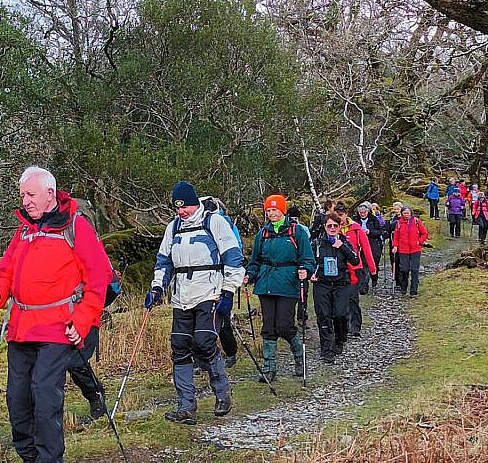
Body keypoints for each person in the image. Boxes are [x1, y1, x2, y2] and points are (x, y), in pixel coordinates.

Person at [0, 166, 112, 463]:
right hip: (21, 328)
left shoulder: (75, 227)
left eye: (30, 195)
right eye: (22, 195)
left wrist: (81, 321)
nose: (25, 201)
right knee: (17, 397)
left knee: (45, 396)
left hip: (59, 327)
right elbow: (6, 272)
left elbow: (99, 278)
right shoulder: (24, 230)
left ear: (50, 194)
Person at [146, 181, 244, 423]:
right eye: (177, 208)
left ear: (194, 203)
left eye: (185, 207)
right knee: (179, 347)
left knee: (203, 342)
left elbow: (233, 257)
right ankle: (186, 406)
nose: (181, 212)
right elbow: (163, 261)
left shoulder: (214, 222)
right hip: (181, 297)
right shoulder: (173, 228)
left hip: (210, 293)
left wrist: (229, 292)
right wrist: (157, 287)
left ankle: (222, 393)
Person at [245, 193, 314, 381]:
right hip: (265, 283)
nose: (271, 213)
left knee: (284, 325)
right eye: (268, 210)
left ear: (282, 210)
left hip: (288, 282)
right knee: (269, 326)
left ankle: (300, 359)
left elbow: (308, 258)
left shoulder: (296, 231)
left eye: (274, 209)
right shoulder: (263, 233)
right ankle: (269, 369)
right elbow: (255, 261)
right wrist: (249, 275)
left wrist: (305, 270)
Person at [309, 212, 357, 363]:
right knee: (323, 315)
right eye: (329, 225)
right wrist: (311, 273)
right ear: (324, 227)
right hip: (322, 284)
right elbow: (308, 261)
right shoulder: (317, 244)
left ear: (339, 227)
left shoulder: (344, 242)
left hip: (341, 283)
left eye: (335, 225)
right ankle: (326, 349)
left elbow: (355, 260)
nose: (332, 228)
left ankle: (340, 339)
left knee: (340, 314)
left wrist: (342, 247)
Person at [334, 201, 376, 338]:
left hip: (354, 268)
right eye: (337, 215)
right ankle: (343, 326)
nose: (339, 218)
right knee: (340, 300)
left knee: (353, 299)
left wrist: (372, 268)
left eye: (341, 215)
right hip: (338, 269)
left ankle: (355, 326)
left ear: (346, 214)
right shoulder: (332, 228)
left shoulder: (356, 228)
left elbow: (366, 248)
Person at [391, 206, 428, 296]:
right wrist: (395, 246)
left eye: (408, 213)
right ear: (402, 214)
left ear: (411, 213)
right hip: (403, 250)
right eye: (404, 213)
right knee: (404, 269)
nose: (406, 215)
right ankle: (404, 286)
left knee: (415, 270)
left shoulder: (416, 221)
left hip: (415, 249)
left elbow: (424, 233)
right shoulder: (399, 223)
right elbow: (396, 236)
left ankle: (413, 291)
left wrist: (420, 241)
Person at [354, 202, 384, 293]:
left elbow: (379, 232)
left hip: (373, 243)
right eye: (361, 213)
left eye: (364, 212)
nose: (362, 214)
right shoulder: (355, 220)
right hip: (360, 245)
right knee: (363, 265)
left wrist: (369, 232)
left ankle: (374, 277)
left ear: (368, 212)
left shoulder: (373, 219)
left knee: (374, 262)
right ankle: (364, 285)